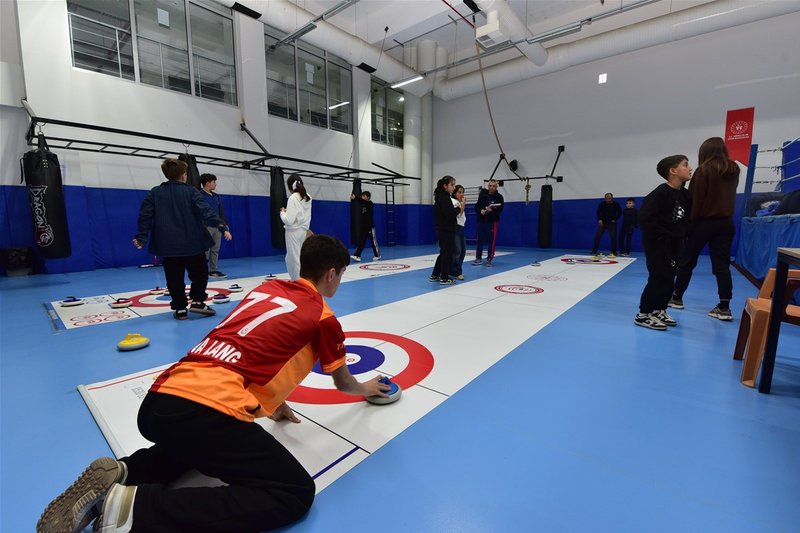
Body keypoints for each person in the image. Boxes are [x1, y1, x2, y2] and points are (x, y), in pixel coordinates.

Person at [37, 235, 392, 533]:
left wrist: (276, 401)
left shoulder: (267, 290)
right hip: (210, 408)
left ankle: (127, 471)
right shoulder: (323, 318)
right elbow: (342, 382)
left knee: (196, 446)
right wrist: (368, 388)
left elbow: (256, 348)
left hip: (163, 400)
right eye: (341, 275)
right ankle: (133, 509)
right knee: (293, 491)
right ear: (332, 274)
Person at [133, 158, 223, 320]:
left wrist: (141, 237)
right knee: (200, 274)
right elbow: (206, 211)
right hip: (193, 243)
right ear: (183, 175)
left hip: (168, 246)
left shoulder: (155, 192)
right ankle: (197, 301)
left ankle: (180, 309)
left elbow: (145, 215)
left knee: (173, 277)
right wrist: (220, 224)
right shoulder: (191, 192)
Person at [670, 137, 740, 321]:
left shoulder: (704, 171)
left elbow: (695, 201)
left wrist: (687, 225)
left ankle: (676, 297)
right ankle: (724, 307)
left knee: (687, 261)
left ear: (705, 152)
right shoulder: (734, 170)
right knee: (722, 265)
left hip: (703, 222)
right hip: (726, 223)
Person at [635, 155, 692, 330]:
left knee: (670, 278)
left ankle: (659, 309)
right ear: (673, 171)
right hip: (658, 243)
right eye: (685, 165)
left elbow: (685, 219)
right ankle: (643, 314)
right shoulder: (660, 193)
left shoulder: (685, 194)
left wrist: (682, 236)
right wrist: (661, 238)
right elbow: (645, 219)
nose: (690, 168)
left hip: (675, 243)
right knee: (658, 277)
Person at [199, 173, 233, 278]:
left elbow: (220, 212)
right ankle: (202, 271)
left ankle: (213, 270)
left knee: (215, 249)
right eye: (214, 182)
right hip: (206, 227)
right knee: (205, 250)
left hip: (218, 226)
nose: (215, 184)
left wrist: (225, 225)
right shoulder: (199, 195)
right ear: (208, 183)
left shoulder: (216, 197)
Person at [280, 174, 312, 280]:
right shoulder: (308, 197)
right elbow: (301, 214)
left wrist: (282, 213)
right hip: (303, 231)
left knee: (293, 259)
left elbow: (289, 220)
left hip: (293, 232)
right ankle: (300, 280)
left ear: (289, 187)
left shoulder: (293, 198)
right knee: (294, 257)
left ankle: (298, 282)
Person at [430, 176, 460, 285]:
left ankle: (435, 274)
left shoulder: (440, 198)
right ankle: (444, 277)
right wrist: (458, 209)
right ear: (445, 186)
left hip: (442, 229)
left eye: (454, 184)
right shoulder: (445, 198)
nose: (454, 187)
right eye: (452, 185)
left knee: (444, 252)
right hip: (446, 230)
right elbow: (450, 215)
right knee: (447, 253)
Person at [472, 179, 504, 266]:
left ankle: (489, 259)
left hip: (492, 222)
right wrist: (480, 211)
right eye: (490, 186)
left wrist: (492, 211)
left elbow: (500, 210)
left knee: (491, 241)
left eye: (493, 186)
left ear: (496, 187)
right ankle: (478, 258)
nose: (491, 188)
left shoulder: (499, 197)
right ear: (488, 186)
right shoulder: (483, 195)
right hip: (481, 221)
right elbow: (477, 206)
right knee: (480, 240)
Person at [350, 190, 380, 262]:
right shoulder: (363, 205)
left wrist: (355, 198)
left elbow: (362, 201)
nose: (362, 197)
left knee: (373, 241)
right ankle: (357, 255)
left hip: (370, 227)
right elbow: (361, 202)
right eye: (362, 196)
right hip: (363, 227)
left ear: (368, 197)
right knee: (361, 242)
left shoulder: (369, 203)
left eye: (364, 196)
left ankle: (377, 255)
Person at [591, 193, 622, 258]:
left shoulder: (616, 204)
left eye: (609, 198)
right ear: (605, 198)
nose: (608, 199)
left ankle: (613, 252)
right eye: (606, 198)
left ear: (612, 198)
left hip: (612, 223)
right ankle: (594, 251)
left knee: (613, 237)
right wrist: (599, 219)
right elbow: (598, 212)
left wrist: (615, 219)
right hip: (603, 223)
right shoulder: (602, 204)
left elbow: (620, 212)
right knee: (598, 236)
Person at [451, 184, 467, 280]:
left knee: (463, 251)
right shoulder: (454, 202)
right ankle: (457, 272)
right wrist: (463, 203)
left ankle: (457, 270)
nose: (461, 194)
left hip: (461, 227)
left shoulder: (459, 202)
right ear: (454, 193)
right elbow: (459, 213)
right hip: (455, 227)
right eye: (459, 192)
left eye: (462, 192)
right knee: (457, 251)